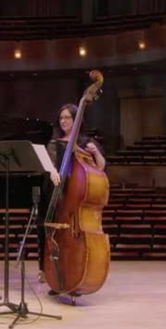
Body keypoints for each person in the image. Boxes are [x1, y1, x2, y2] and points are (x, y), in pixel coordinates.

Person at [37, 103, 107, 283]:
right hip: (56, 192)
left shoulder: (86, 143)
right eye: (61, 118)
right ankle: (46, 270)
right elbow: (49, 164)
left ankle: (76, 270)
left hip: (75, 196)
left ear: (76, 120)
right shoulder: (54, 142)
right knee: (48, 230)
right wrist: (52, 171)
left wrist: (95, 153)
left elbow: (100, 167)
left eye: (67, 117)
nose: (63, 121)